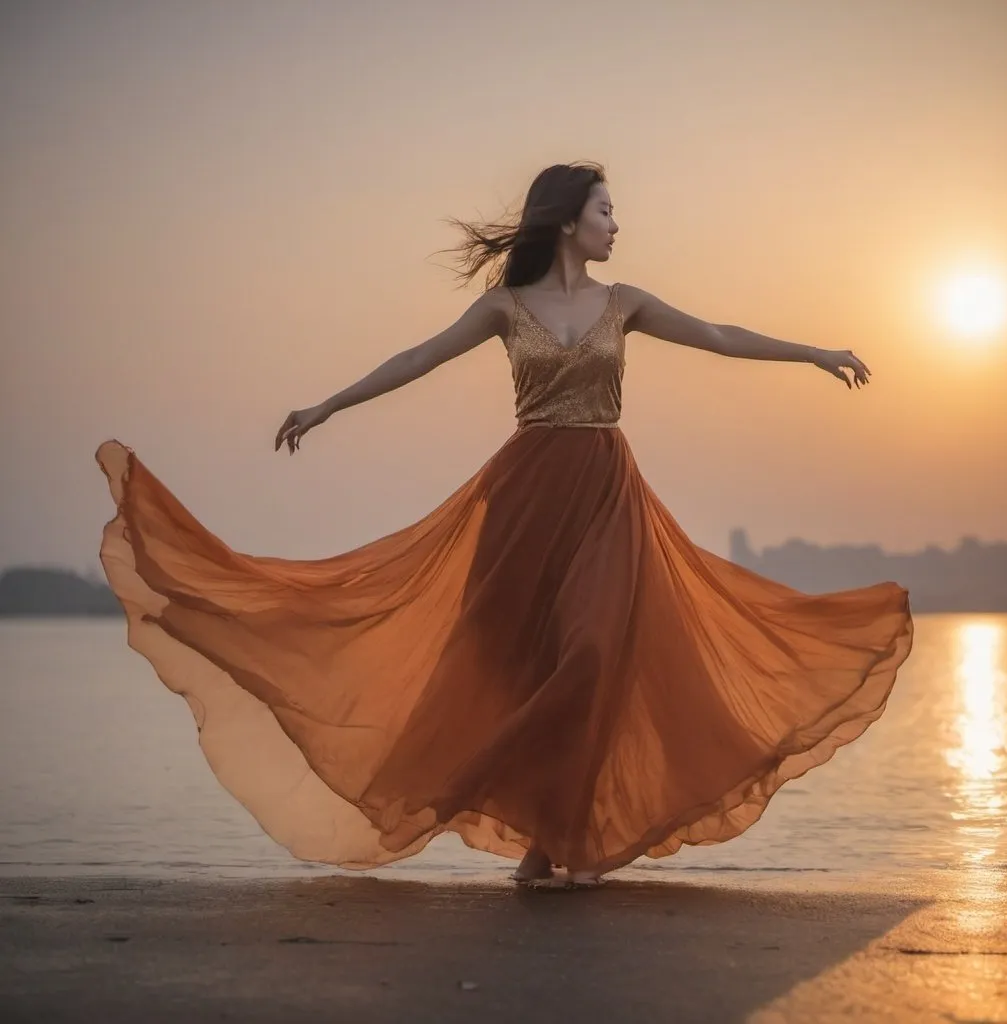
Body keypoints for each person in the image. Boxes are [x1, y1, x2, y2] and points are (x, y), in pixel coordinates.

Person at [96, 161, 913, 890]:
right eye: (606, 209)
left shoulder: (623, 303)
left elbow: (717, 335)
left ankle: (564, 836)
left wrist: (814, 351)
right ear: (568, 220)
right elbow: (417, 358)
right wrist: (328, 404)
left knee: (592, 654)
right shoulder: (504, 307)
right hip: (521, 502)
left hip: (603, 493)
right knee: (521, 671)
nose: (617, 223)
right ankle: (544, 843)